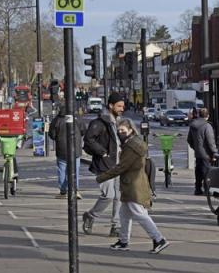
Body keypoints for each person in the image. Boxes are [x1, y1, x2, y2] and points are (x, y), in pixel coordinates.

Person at [99, 118, 170, 253]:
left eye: (123, 131)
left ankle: (159, 239)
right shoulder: (131, 143)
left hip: (134, 185)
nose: (120, 133)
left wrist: (102, 177)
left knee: (139, 213)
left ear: (130, 130)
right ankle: (123, 241)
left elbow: (122, 166)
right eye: (118, 130)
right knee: (124, 214)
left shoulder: (132, 146)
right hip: (131, 183)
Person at [82, 92, 126, 237]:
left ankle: (116, 226)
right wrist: (102, 152)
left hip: (119, 164)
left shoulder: (118, 122)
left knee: (119, 196)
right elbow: (89, 139)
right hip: (104, 164)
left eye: (123, 106)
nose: (121, 109)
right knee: (109, 195)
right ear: (111, 105)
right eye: (119, 106)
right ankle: (91, 216)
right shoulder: (99, 122)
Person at [48, 109, 83, 199]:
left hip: (62, 149)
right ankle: (75, 190)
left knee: (62, 170)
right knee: (75, 170)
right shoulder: (77, 118)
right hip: (76, 149)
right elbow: (83, 131)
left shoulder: (57, 120)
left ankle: (63, 191)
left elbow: (52, 134)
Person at [188, 108, 218, 195]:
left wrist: (196, 148)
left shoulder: (193, 125)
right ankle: (207, 189)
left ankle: (197, 189)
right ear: (207, 116)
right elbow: (210, 141)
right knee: (207, 171)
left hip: (198, 152)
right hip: (206, 153)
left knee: (198, 171)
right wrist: (214, 152)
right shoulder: (207, 126)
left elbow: (189, 139)